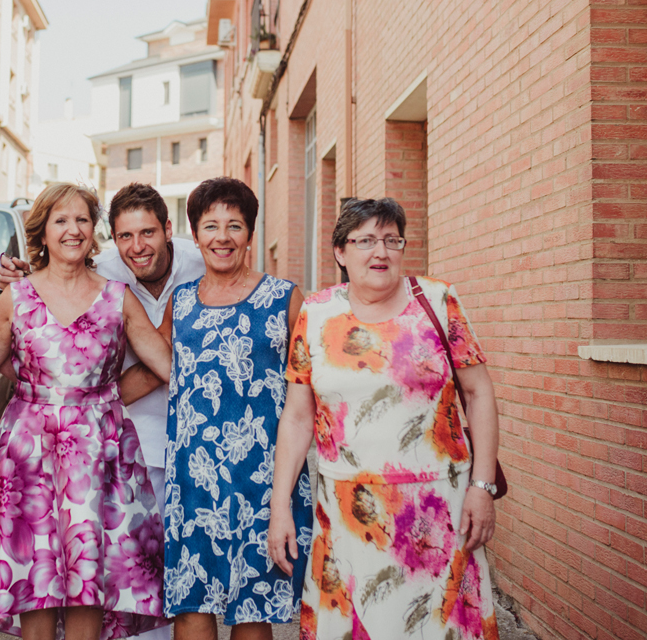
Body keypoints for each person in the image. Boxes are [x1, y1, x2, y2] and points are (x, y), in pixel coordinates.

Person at [268, 197, 501, 640]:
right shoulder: (315, 314)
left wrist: (482, 487)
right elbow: (297, 418)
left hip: (438, 511)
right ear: (340, 251)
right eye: (367, 240)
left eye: (392, 240)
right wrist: (280, 508)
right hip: (345, 518)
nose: (381, 252)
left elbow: (478, 392)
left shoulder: (437, 299)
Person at [0, 183, 173, 640]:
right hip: (28, 454)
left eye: (82, 219)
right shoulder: (15, 297)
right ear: (42, 232)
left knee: (89, 578)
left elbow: (168, 366)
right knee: (36, 576)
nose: (73, 230)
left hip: (100, 453)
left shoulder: (117, 296)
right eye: (61, 220)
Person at [158, 177, 311, 640]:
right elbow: (156, 367)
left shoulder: (285, 298)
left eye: (234, 225)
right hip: (193, 481)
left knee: (251, 612)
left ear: (250, 233)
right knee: (191, 604)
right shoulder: (180, 302)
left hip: (264, 478)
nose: (222, 237)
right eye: (210, 226)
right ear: (194, 233)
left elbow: (309, 392)